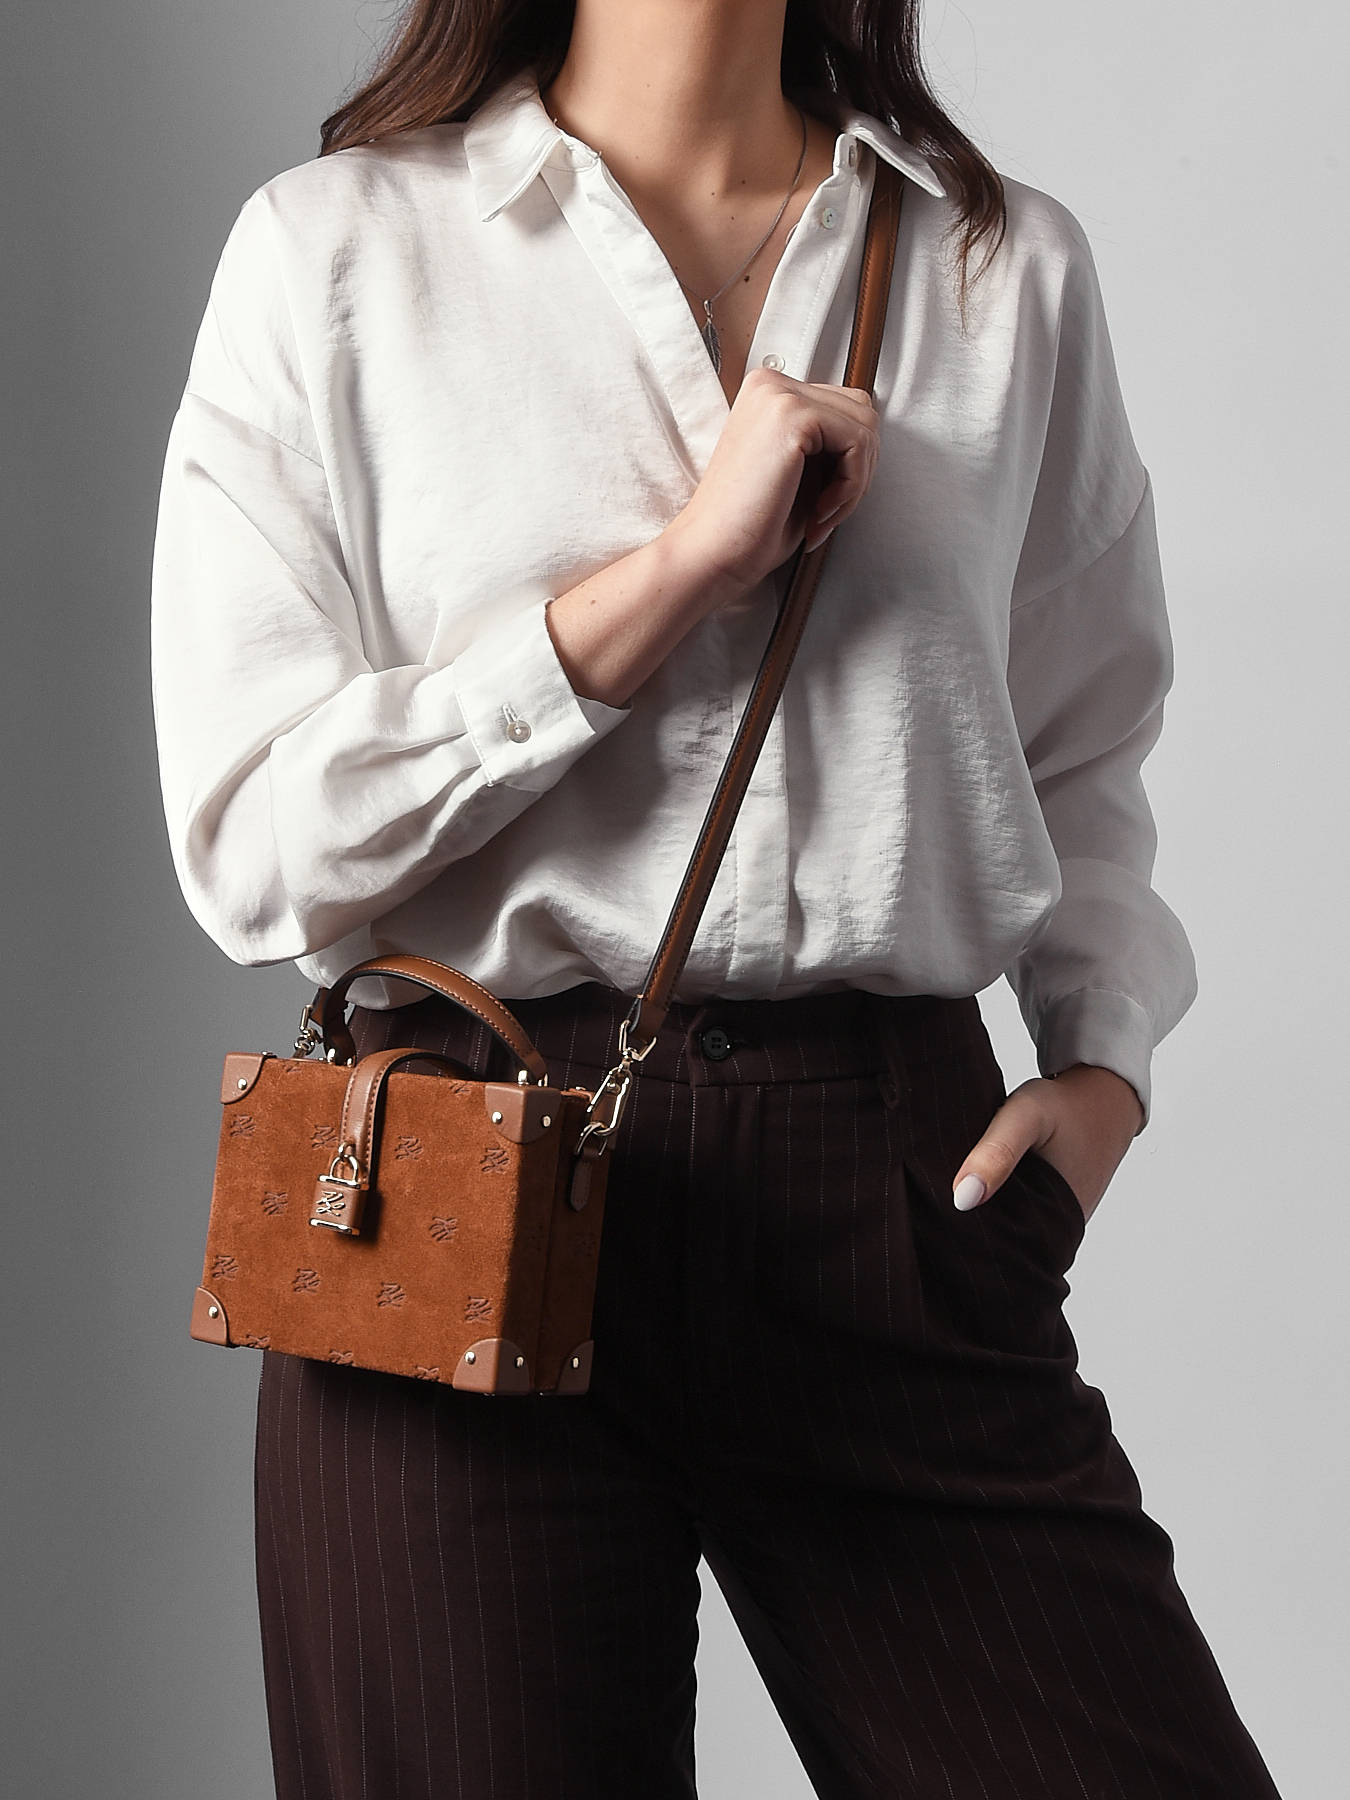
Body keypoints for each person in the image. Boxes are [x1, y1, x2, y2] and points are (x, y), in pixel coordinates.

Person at [150, 2, 1285, 1795]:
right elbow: (248, 841)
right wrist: (668, 581)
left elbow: (1082, 736)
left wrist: (1103, 1071)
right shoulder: (341, 253)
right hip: (451, 1174)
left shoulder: (996, 268)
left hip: (887, 1181)